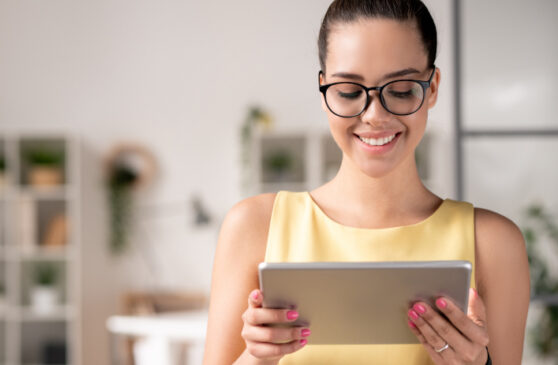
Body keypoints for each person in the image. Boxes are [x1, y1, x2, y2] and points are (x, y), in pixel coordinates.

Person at [203, 0, 530, 364]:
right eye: (348, 91)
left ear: (432, 87)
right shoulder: (253, 227)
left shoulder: (494, 243)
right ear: (324, 90)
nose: (374, 116)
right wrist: (256, 357)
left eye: (402, 89)